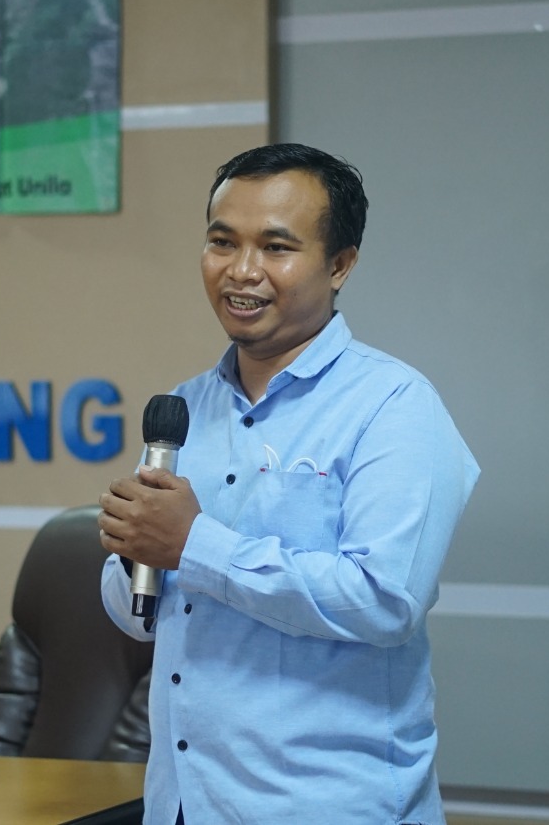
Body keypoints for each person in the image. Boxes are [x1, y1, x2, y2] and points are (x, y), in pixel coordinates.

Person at [98, 143, 479, 824]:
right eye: (222, 242)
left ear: (340, 264)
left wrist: (192, 544)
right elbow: (140, 618)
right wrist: (133, 552)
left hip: (327, 806)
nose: (242, 270)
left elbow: (384, 601)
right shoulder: (184, 409)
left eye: (276, 247)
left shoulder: (393, 405)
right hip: (184, 802)